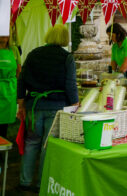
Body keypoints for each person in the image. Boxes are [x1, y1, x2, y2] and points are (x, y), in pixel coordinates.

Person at [17, 24, 78, 192]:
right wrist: (75, 105)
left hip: (34, 106)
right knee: (47, 145)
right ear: (64, 38)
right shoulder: (67, 58)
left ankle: (25, 181)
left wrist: (21, 104)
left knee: (31, 143)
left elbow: (21, 80)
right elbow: (71, 85)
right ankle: (41, 183)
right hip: (56, 107)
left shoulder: (33, 54)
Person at [0, 35, 21, 139]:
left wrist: (19, 92)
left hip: (10, 90)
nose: (4, 36)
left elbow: (18, 71)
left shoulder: (14, 50)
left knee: (4, 125)